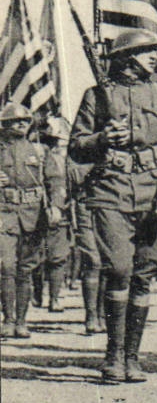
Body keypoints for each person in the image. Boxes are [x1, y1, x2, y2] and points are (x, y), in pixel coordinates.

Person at [69, 28, 157, 383]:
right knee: (119, 268)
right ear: (126, 57)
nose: (155, 56)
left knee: (144, 273)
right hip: (111, 191)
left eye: (155, 50)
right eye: (146, 50)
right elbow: (76, 146)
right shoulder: (96, 95)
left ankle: (132, 357)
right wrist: (102, 138)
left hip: (155, 194)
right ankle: (113, 355)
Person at [1, 105, 66, 339]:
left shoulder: (40, 151)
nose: (21, 124)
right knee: (6, 266)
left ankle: (21, 321)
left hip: (33, 215)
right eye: (15, 120)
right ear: (5, 125)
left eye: (25, 120)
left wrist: (56, 206)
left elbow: (55, 181)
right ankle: (8, 319)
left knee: (25, 269)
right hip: (4, 213)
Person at [36, 116, 72, 316]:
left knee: (57, 256)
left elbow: (58, 182)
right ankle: (37, 291)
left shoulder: (63, 159)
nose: (50, 145)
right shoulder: (34, 153)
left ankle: (55, 297)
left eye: (52, 141)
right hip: (31, 211)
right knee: (34, 257)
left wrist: (57, 206)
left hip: (56, 211)